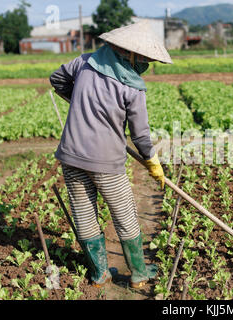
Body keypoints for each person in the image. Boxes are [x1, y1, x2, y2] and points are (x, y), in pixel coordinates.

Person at [49, 21, 173, 289]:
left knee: (84, 214)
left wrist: (80, 102)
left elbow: (57, 79)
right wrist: (152, 161)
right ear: (129, 54)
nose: (146, 64)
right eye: (145, 58)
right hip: (106, 162)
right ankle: (139, 274)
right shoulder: (133, 88)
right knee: (124, 214)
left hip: (71, 155)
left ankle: (99, 274)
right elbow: (140, 134)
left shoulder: (83, 63)